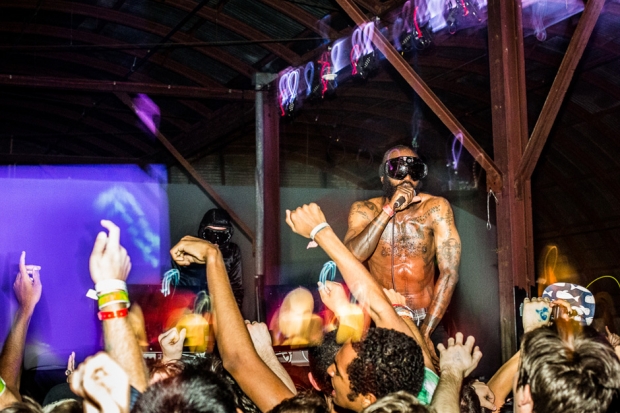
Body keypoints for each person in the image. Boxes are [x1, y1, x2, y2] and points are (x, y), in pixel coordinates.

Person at [344, 145, 461, 349]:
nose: (407, 178)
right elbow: (353, 257)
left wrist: (425, 332)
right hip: (383, 318)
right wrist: (389, 210)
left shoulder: (436, 208)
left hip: (427, 320)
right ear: (383, 177)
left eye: (414, 171)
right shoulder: (364, 210)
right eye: (398, 170)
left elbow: (449, 273)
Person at [176, 208, 243, 308]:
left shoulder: (232, 252)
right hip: (189, 309)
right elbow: (173, 286)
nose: (215, 242)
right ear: (202, 232)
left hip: (220, 310)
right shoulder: (187, 249)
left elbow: (236, 289)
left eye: (222, 236)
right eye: (210, 235)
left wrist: (230, 313)